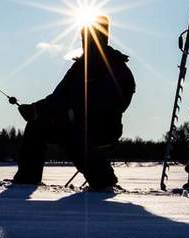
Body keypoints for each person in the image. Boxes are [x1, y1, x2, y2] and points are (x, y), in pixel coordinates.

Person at [8, 15, 135, 189]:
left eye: (91, 38)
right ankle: (27, 179)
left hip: (104, 127)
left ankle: (103, 179)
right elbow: (57, 97)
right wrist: (36, 109)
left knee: (76, 132)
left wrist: (75, 113)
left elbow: (117, 100)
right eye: (84, 38)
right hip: (73, 123)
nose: (86, 42)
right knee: (36, 125)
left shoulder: (116, 67)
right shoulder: (77, 68)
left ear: (103, 38)